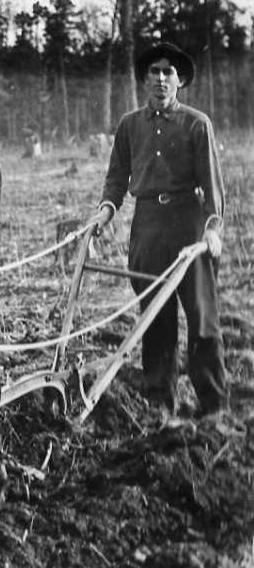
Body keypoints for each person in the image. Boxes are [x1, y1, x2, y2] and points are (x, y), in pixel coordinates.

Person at [95, 41, 228, 420]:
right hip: (147, 228)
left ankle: (214, 406)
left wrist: (212, 230)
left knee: (202, 318)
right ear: (145, 79)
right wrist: (105, 211)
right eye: (154, 71)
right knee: (154, 318)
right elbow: (117, 177)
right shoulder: (129, 126)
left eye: (168, 72)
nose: (160, 78)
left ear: (180, 81)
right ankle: (159, 402)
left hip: (188, 226)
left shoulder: (196, 124)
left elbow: (213, 188)